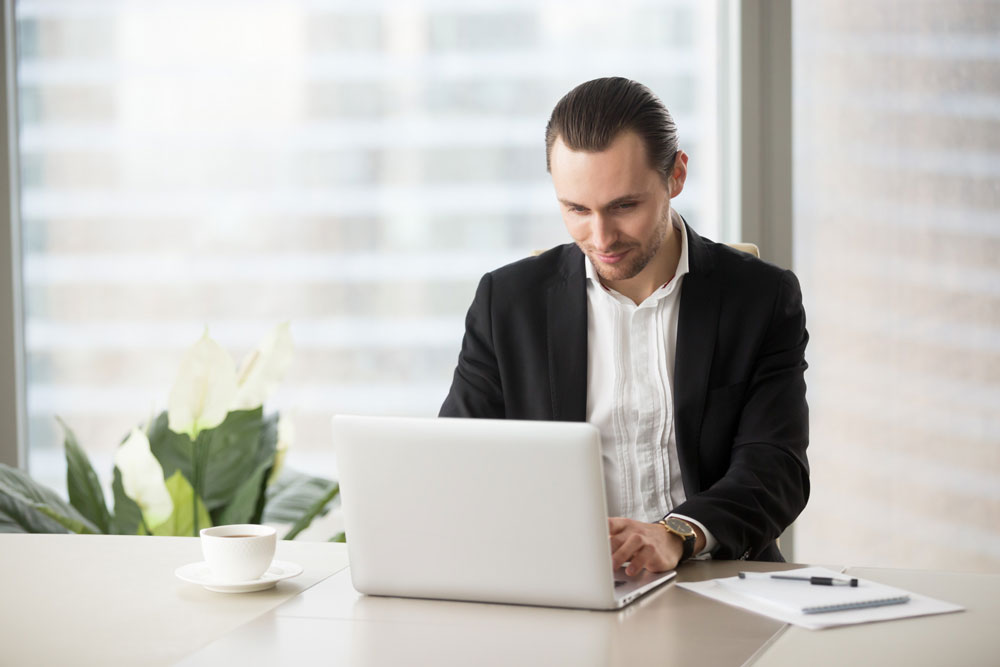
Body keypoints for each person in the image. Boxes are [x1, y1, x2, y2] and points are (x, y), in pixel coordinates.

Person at [439, 77, 809, 573]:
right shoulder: (506, 303)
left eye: (624, 206)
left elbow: (775, 468)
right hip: (559, 581)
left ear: (676, 176)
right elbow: (459, 464)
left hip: (716, 576)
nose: (601, 237)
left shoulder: (760, 298)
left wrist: (676, 534)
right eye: (576, 210)